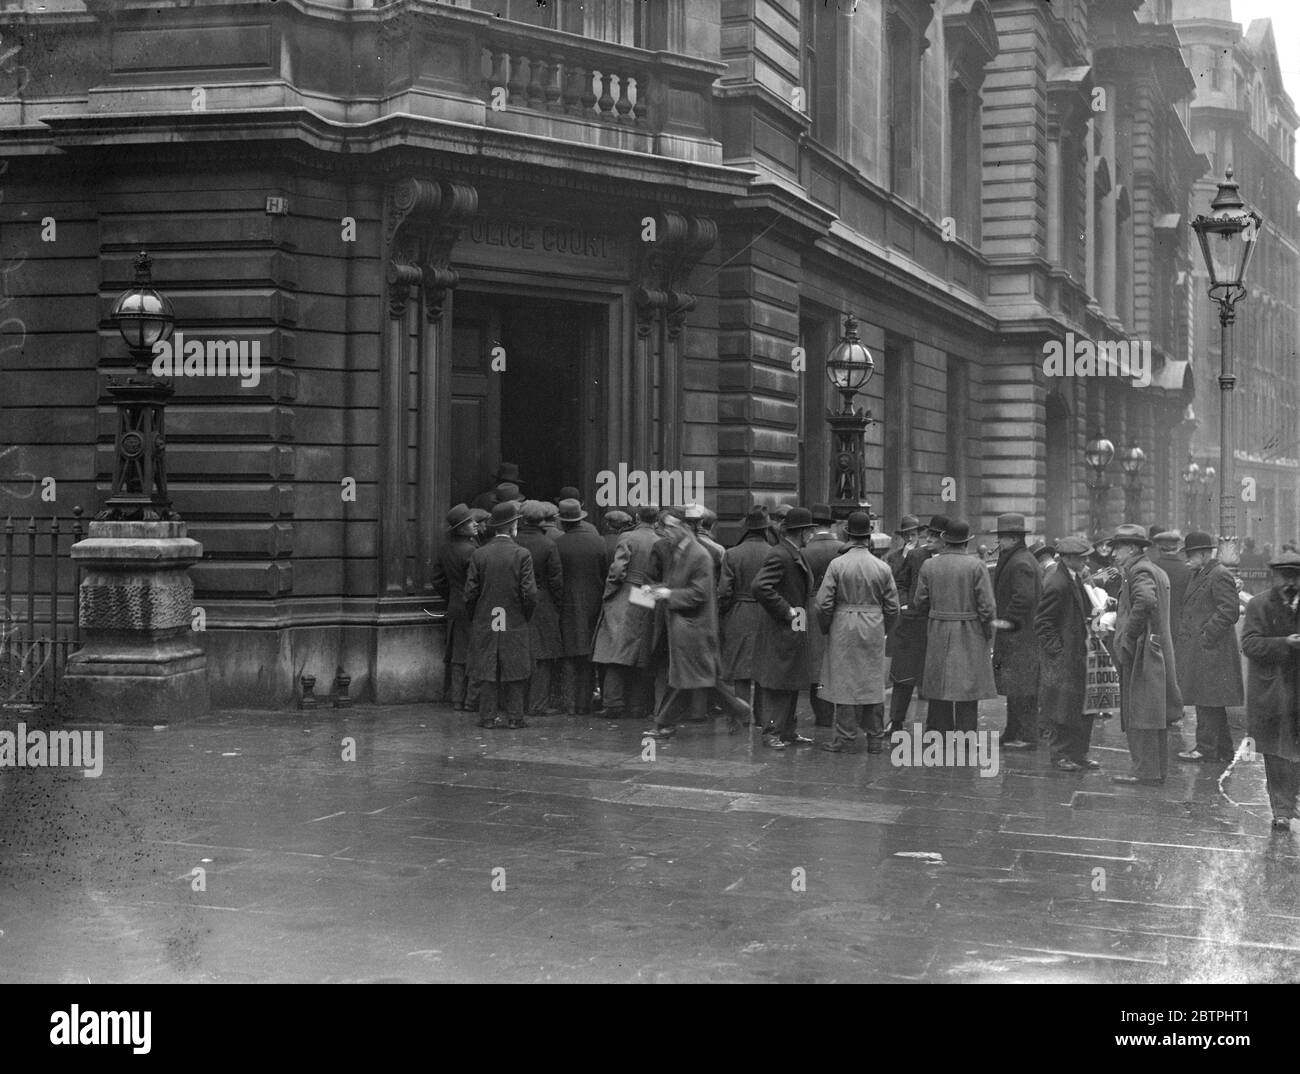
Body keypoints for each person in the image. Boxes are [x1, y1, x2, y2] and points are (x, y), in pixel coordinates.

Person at [644, 507, 752, 738]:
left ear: (685, 527)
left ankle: (664, 723)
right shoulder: (679, 550)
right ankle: (739, 710)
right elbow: (678, 584)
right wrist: (656, 590)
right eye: (665, 528)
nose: (667, 532)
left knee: (688, 680)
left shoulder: (698, 554)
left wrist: (666, 595)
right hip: (685, 626)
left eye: (672, 527)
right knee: (699, 679)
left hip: (695, 628)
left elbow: (699, 593)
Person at [815, 511, 899, 753]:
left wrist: (827, 626)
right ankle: (874, 738)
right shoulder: (882, 567)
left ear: (848, 535)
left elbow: (823, 603)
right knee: (872, 683)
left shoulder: (837, 564)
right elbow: (893, 607)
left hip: (843, 624)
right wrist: (883, 626)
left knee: (844, 681)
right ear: (869, 536)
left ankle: (845, 736)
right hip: (873, 624)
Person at [1108, 523, 1181, 785]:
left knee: (1140, 712)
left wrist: (1128, 634)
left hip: (1143, 653)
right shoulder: (1154, 569)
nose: (1114, 555)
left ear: (1131, 548)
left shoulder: (1139, 571)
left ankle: (1145, 772)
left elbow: (1145, 601)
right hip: (1153, 649)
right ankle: (1154, 770)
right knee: (1152, 713)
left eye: (1117, 549)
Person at [914, 519, 997, 733]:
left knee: (940, 685)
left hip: (938, 628)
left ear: (945, 540)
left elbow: (919, 601)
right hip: (970, 630)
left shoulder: (929, 565)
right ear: (967, 542)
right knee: (968, 689)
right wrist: (987, 632)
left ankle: (940, 734)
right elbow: (987, 606)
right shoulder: (976, 565)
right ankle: (966, 736)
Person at [1239, 550, 1300, 831]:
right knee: (1275, 754)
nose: (1289, 582)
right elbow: (1250, 644)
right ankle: (1282, 810)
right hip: (1272, 693)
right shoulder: (1259, 605)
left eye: (1295, 576)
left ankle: (1292, 799)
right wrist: (1284, 643)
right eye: (1284, 576)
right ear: (1274, 577)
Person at [464, 500, 538, 730]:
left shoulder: (479, 554)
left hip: (486, 619)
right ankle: (515, 717)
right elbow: (530, 593)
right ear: (512, 525)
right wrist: (523, 615)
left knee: (487, 668)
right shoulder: (522, 554)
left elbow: (470, 593)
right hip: (514, 619)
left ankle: (487, 717)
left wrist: (477, 615)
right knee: (514, 668)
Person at [1174, 531, 1243, 764]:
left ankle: (1205, 749)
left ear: (1203, 554)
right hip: (1206, 650)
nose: (1188, 559)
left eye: (1191, 554)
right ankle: (1223, 750)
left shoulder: (1218, 574)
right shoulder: (1202, 573)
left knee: (1207, 700)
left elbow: (1229, 611)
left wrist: (1206, 635)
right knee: (1211, 700)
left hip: (1212, 650)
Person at [752, 506, 817, 749]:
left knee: (791, 679)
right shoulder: (780, 554)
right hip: (782, 626)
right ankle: (771, 731)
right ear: (799, 532)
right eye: (808, 530)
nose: (811, 534)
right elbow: (760, 587)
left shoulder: (793, 552)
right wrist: (787, 610)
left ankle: (788, 730)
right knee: (776, 682)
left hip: (793, 626)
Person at [590, 505, 662, 720]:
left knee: (615, 650)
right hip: (648, 593)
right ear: (656, 519)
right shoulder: (661, 539)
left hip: (627, 592)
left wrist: (609, 593)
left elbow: (618, 570)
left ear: (638, 517)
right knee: (640, 651)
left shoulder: (627, 537)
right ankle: (638, 705)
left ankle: (613, 703)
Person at [1034, 536, 1098, 771]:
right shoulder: (1058, 582)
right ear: (1068, 558)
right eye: (1081, 558)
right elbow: (1043, 622)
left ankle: (1079, 753)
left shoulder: (1073, 576)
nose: (1085, 561)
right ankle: (1061, 755)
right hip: (1064, 656)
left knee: (1078, 705)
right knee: (1061, 708)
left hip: (1077, 653)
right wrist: (1058, 652)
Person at [887, 514, 948, 732]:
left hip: (937, 626)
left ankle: (935, 727)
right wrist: (903, 604)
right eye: (928, 535)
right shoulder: (915, 556)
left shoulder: (950, 559)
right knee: (903, 677)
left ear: (944, 539)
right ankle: (895, 722)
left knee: (935, 678)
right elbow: (901, 582)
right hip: (913, 624)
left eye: (933, 536)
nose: (928, 539)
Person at [991, 513, 1042, 750]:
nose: (999, 542)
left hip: (1021, 636)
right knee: (1016, 686)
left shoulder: (1021, 562)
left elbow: (1024, 598)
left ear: (1012, 538)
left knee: (1023, 687)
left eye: (1001, 538)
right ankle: (1012, 731)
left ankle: (1027, 735)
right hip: (1019, 636)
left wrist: (1007, 621)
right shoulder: (1018, 557)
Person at [554, 498, 609, 714]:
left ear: (563, 521)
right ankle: (585, 703)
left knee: (569, 655)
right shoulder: (599, 542)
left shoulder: (558, 544)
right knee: (588, 656)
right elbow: (605, 573)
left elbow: (555, 578)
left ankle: (570, 704)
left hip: (567, 605)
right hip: (593, 604)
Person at [717, 506, 772, 718]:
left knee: (740, 670)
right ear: (766, 529)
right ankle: (762, 718)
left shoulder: (732, 554)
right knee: (763, 670)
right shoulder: (773, 552)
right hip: (767, 613)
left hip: (738, 614)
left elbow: (724, 591)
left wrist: (723, 613)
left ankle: (740, 717)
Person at [514, 501, 565, 716]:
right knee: (542, 656)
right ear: (542, 520)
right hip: (543, 604)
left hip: (515, 603)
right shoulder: (548, 545)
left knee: (518, 653)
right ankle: (537, 704)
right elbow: (556, 581)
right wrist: (558, 604)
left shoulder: (514, 542)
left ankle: (516, 702)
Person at [802, 503, 847, 728]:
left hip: (810, 611)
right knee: (838, 664)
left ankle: (823, 717)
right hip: (841, 611)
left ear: (811, 528)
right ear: (832, 526)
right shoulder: (843, 548)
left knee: (815, 667)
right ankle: (844, 715)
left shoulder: (804, 551)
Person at [431, 504, 478, 712]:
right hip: (471, 608)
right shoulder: (472, 551)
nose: (475, 524)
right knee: (474, 653)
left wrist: (451, 596)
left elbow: (437, 579)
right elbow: (474, 585)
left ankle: (457, 699)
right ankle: (471, 700)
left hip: (455, 605)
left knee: (457, 655)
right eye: (470, 522)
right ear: (461, 529)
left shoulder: (445, 549)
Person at [1151, 530, 1192, 643]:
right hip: (1181, 630)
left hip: (1157, 630)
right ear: (1177, 547)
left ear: (1158, 547)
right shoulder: (1187, 570)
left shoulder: (1152, 569)